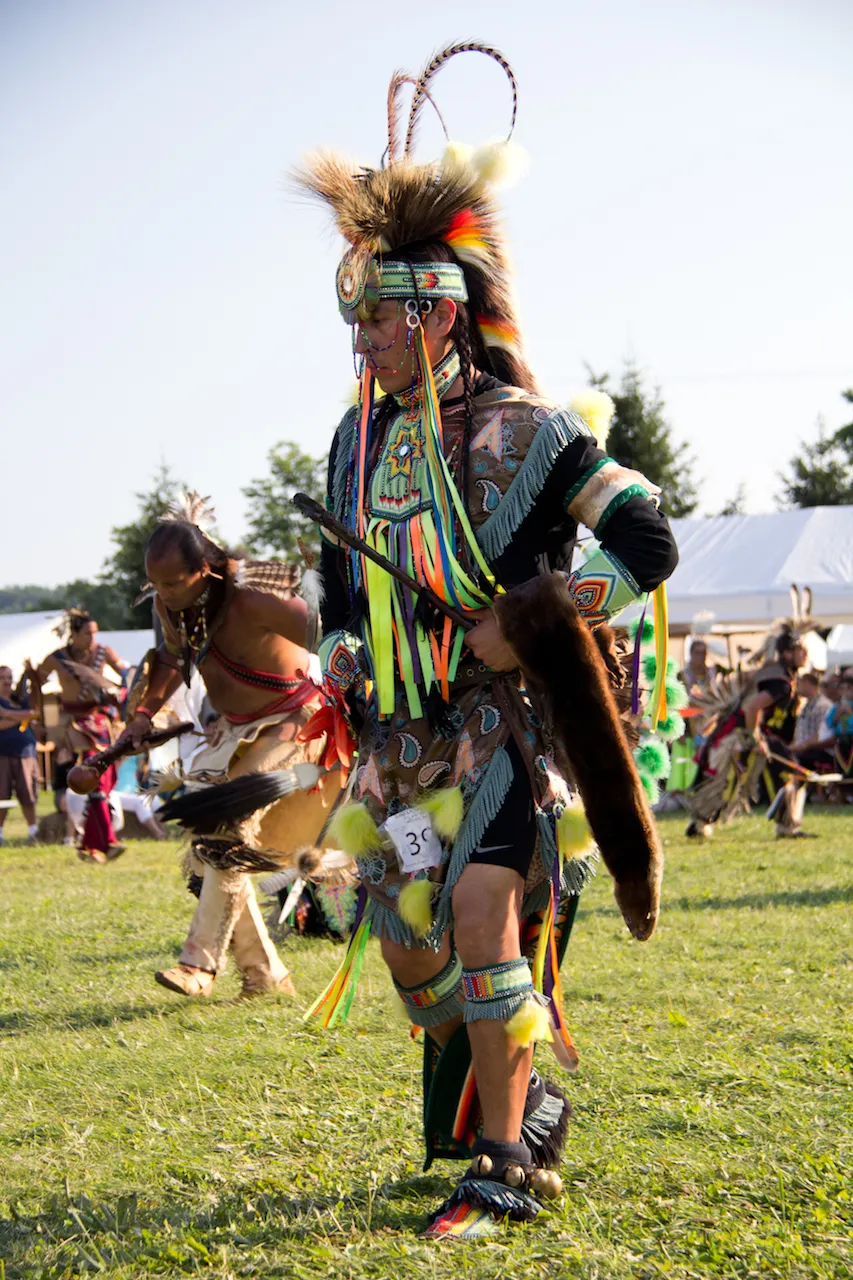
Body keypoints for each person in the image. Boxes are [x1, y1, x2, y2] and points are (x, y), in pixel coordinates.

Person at [297, 42, 678, 1237]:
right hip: (401, 744)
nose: (362, 341)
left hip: (507, 732)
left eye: (383, 318)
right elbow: (342, 598)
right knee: (408, 943)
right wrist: (349, 651)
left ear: (441, 314)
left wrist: (535, 627)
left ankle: (507, 1161)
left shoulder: (529, 429)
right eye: (353, 319)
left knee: (479, 920)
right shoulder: (350, 448)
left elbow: (646, 542)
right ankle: (519, 1098)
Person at [119, 495, 340, 999]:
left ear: (207, 570)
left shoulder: (254, 599)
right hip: (236, 732)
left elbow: (340, 635)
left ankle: (199, 964)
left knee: (229, 827)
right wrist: (141, 715)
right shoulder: (171, 605)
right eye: (156, 584)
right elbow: (172, 661)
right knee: (213, 849)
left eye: (174, 582)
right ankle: (266, 976)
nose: (164, 594)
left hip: (295, 722)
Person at [686, 631, 808, 837]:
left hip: (739, 732)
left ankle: (700, 824)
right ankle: (787, 826)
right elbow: (752, 707)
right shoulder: (780, 681)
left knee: (729, 781)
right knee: (789, 772)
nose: (805, 654)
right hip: (742, 734)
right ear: (787, 653)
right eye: (800, 650)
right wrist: (754, 737)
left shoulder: (776, 673)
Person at [30, 609, 129, 861]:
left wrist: (121, 694)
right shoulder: (57, 658)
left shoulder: (103, 652)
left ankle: (89, 846)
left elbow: (126, 674)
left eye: (94, 633)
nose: (92, 638)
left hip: (101, 722)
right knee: (92, 776)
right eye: (87, 634)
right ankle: (106, 842)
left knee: (102, 781)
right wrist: (45, 721)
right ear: (73, 634)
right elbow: (36, 686)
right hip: (73, 726)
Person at [0, 665, 40, 844]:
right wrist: (23, 717)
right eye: (2, 678)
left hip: (26, 752)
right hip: (2, 753)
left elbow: (34, 714)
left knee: (27, 793)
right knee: (1, 794)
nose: (7, 681)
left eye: (9, 677)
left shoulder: (20, 699)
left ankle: (33, 831)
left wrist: (6, 714)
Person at [789, 672, 834, 772]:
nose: (797, 687)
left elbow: (823, 733)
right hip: (803, 752)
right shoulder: (806, 706)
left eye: (799, 683)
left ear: (807, 683)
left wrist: (803, 746)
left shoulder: (823, 705)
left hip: (818, 753)